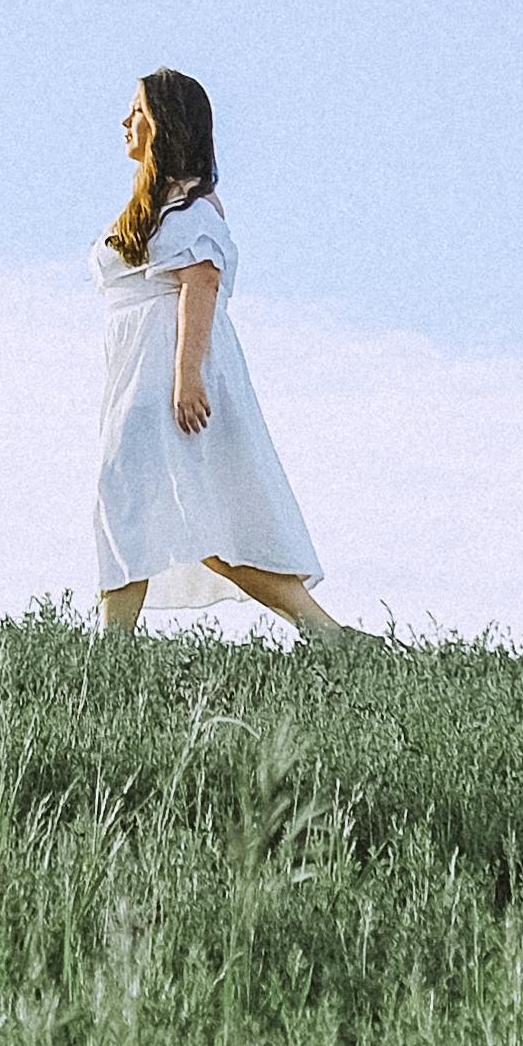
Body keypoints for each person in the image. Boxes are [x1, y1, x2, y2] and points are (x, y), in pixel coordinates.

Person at [91, 69, 358, 642]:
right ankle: (330, 637)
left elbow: (201, 284)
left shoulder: (192, 209)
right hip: (139, 368)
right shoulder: (153, 205)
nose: (125, 120)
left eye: (137, 109)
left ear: (164, 124)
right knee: (177, 509)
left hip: (172, 368)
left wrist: (186, 378)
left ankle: (109, 645)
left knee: (139, 493)